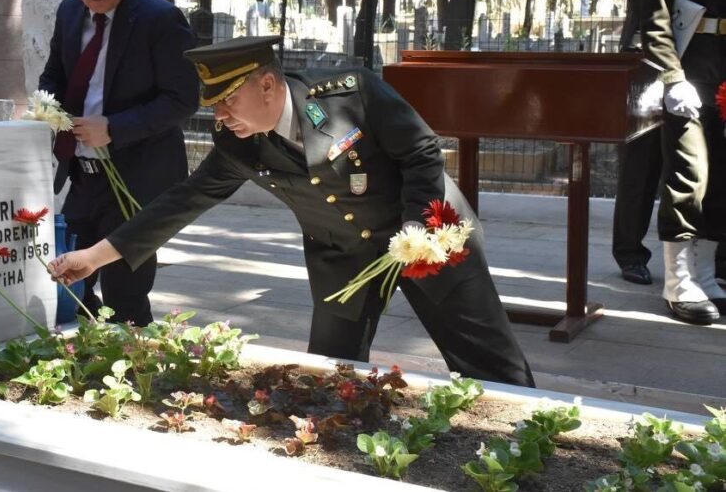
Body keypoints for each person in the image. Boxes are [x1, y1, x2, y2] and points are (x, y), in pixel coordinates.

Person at [51, 35, 534, 387]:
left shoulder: (352, 94)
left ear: (267, 85)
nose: (220, 116)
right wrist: (94, 256)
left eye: (228, 100)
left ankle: (534, 450)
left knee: (489, 362)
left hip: (428, 230)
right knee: (331, 371)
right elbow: (183, 200)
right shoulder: (238, 143)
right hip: (344, 255)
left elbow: (422, 152)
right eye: (213, 105)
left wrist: (416, 229)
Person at [37, 0, 198, 327]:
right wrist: (48, 111)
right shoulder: (69, 12)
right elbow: (53, 76)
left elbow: (184, 99)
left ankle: (137, 361)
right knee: (66, 286)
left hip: (136, 181)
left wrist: (114, 127)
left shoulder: (159, 18)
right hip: (83, 176)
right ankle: (84, 359)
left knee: (124, 297)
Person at [640, 0, 726, 324]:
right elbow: (656, 14)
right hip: (692, 66)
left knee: (725, 175)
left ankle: (707, 276)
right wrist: (672, 77)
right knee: (689, 172)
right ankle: (678, 282)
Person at [612, 0, 706, 286]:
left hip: (697, 63)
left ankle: (698, 253)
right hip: (648, 65)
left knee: (695, 161)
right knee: (642, 161)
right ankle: (631, 252)